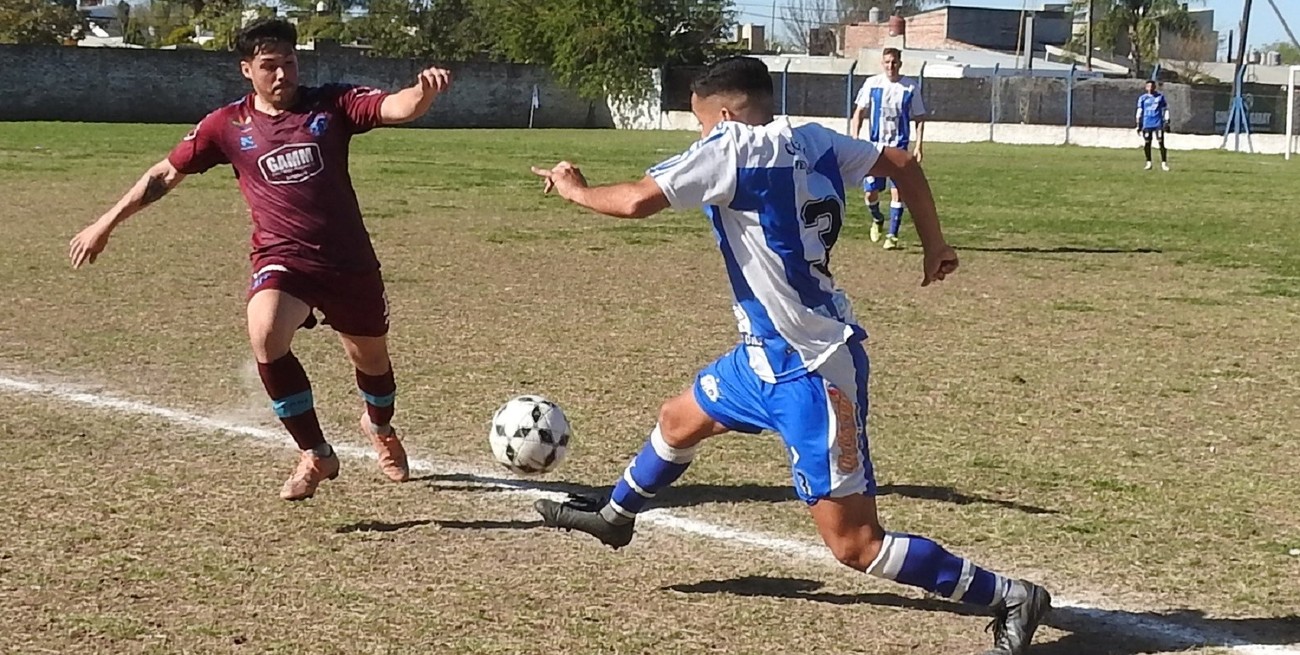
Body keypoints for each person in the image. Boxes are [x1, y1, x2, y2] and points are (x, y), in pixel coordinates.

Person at [530, 56, 1051, 655]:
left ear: (725, 114)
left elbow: (636, 202)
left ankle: (1009, 595)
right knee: (678, 419)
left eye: (703, 124)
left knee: (856, 545)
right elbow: (902, 163)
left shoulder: (731, 148)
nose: (703, 135)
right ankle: (615, 517)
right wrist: (934, 242)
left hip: (811, 368)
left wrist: (574, 189)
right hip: (765, 355)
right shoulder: (816, 141)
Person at [68, 18, 453, 501]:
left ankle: (379, 427)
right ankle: (315, 453)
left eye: (289, 63)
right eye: (269, 66)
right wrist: (104, 224)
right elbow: (165, 173)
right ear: (246, 69)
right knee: (265, 331)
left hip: (347, 262)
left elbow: (394, 107)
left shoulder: (331, 104)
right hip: (283, 259)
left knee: (371, 360)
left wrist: (422, 93)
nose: (282, 74)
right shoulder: (226, 126)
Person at [850, 47, 927, 250]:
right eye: (887, 62)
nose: (890, 66)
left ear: (900, 63)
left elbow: (919, 118)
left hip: (899, 147)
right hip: (874, 149)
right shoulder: (872, 84)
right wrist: (854, 138)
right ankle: (877, 218)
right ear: (882, 64)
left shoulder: (910, 87)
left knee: (898, 192)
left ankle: (892, 235)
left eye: (894, 62)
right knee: (870, 194)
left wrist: (918, 146)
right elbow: (859, 112)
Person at [1137, 80, 1170, 171]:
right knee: (1147, 143)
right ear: (1146, 87)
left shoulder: (1160, 97)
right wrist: (1138, 123)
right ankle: (1148, 162)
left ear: (1155, 87)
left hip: (1158, 123)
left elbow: (1165, 109)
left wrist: (1167, 120)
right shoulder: (1143, 98)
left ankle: (1164, 163)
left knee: (1160, 142)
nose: (1150, 88)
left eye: (1152, 86)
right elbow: (1139, 110)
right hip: (1147, 123)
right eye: (1148, 86)